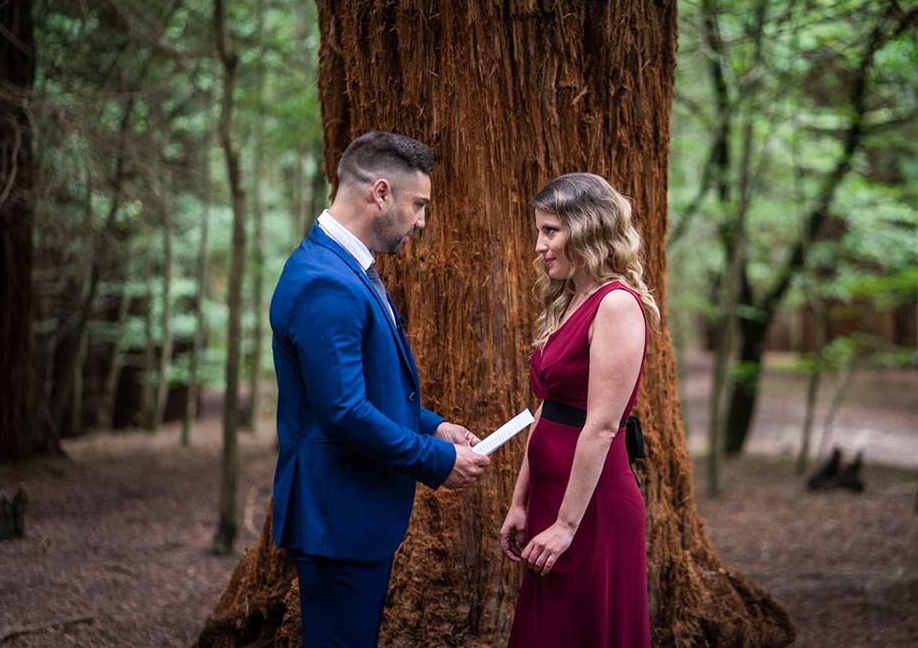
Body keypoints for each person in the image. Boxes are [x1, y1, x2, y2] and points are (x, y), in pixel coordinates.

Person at [270, 131, 490, 648]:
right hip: (336, 518)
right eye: (419, 205)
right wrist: (436, 459)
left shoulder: (349, 267)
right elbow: (343, 413)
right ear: (381, 193)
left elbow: (363, 389)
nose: (421, 221)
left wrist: (434, 424)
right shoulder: (326, 281)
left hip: (351, 515)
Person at [499, 173, 660, 648]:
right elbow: (547, 412)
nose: (538, 246)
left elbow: (603, 425)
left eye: (550, 231)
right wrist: (520, 501)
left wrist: (566, 526)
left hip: (591, 508)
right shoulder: (570, 300)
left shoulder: (615, 305)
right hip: (553, 498)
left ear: (588, 228)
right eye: (539, 231)